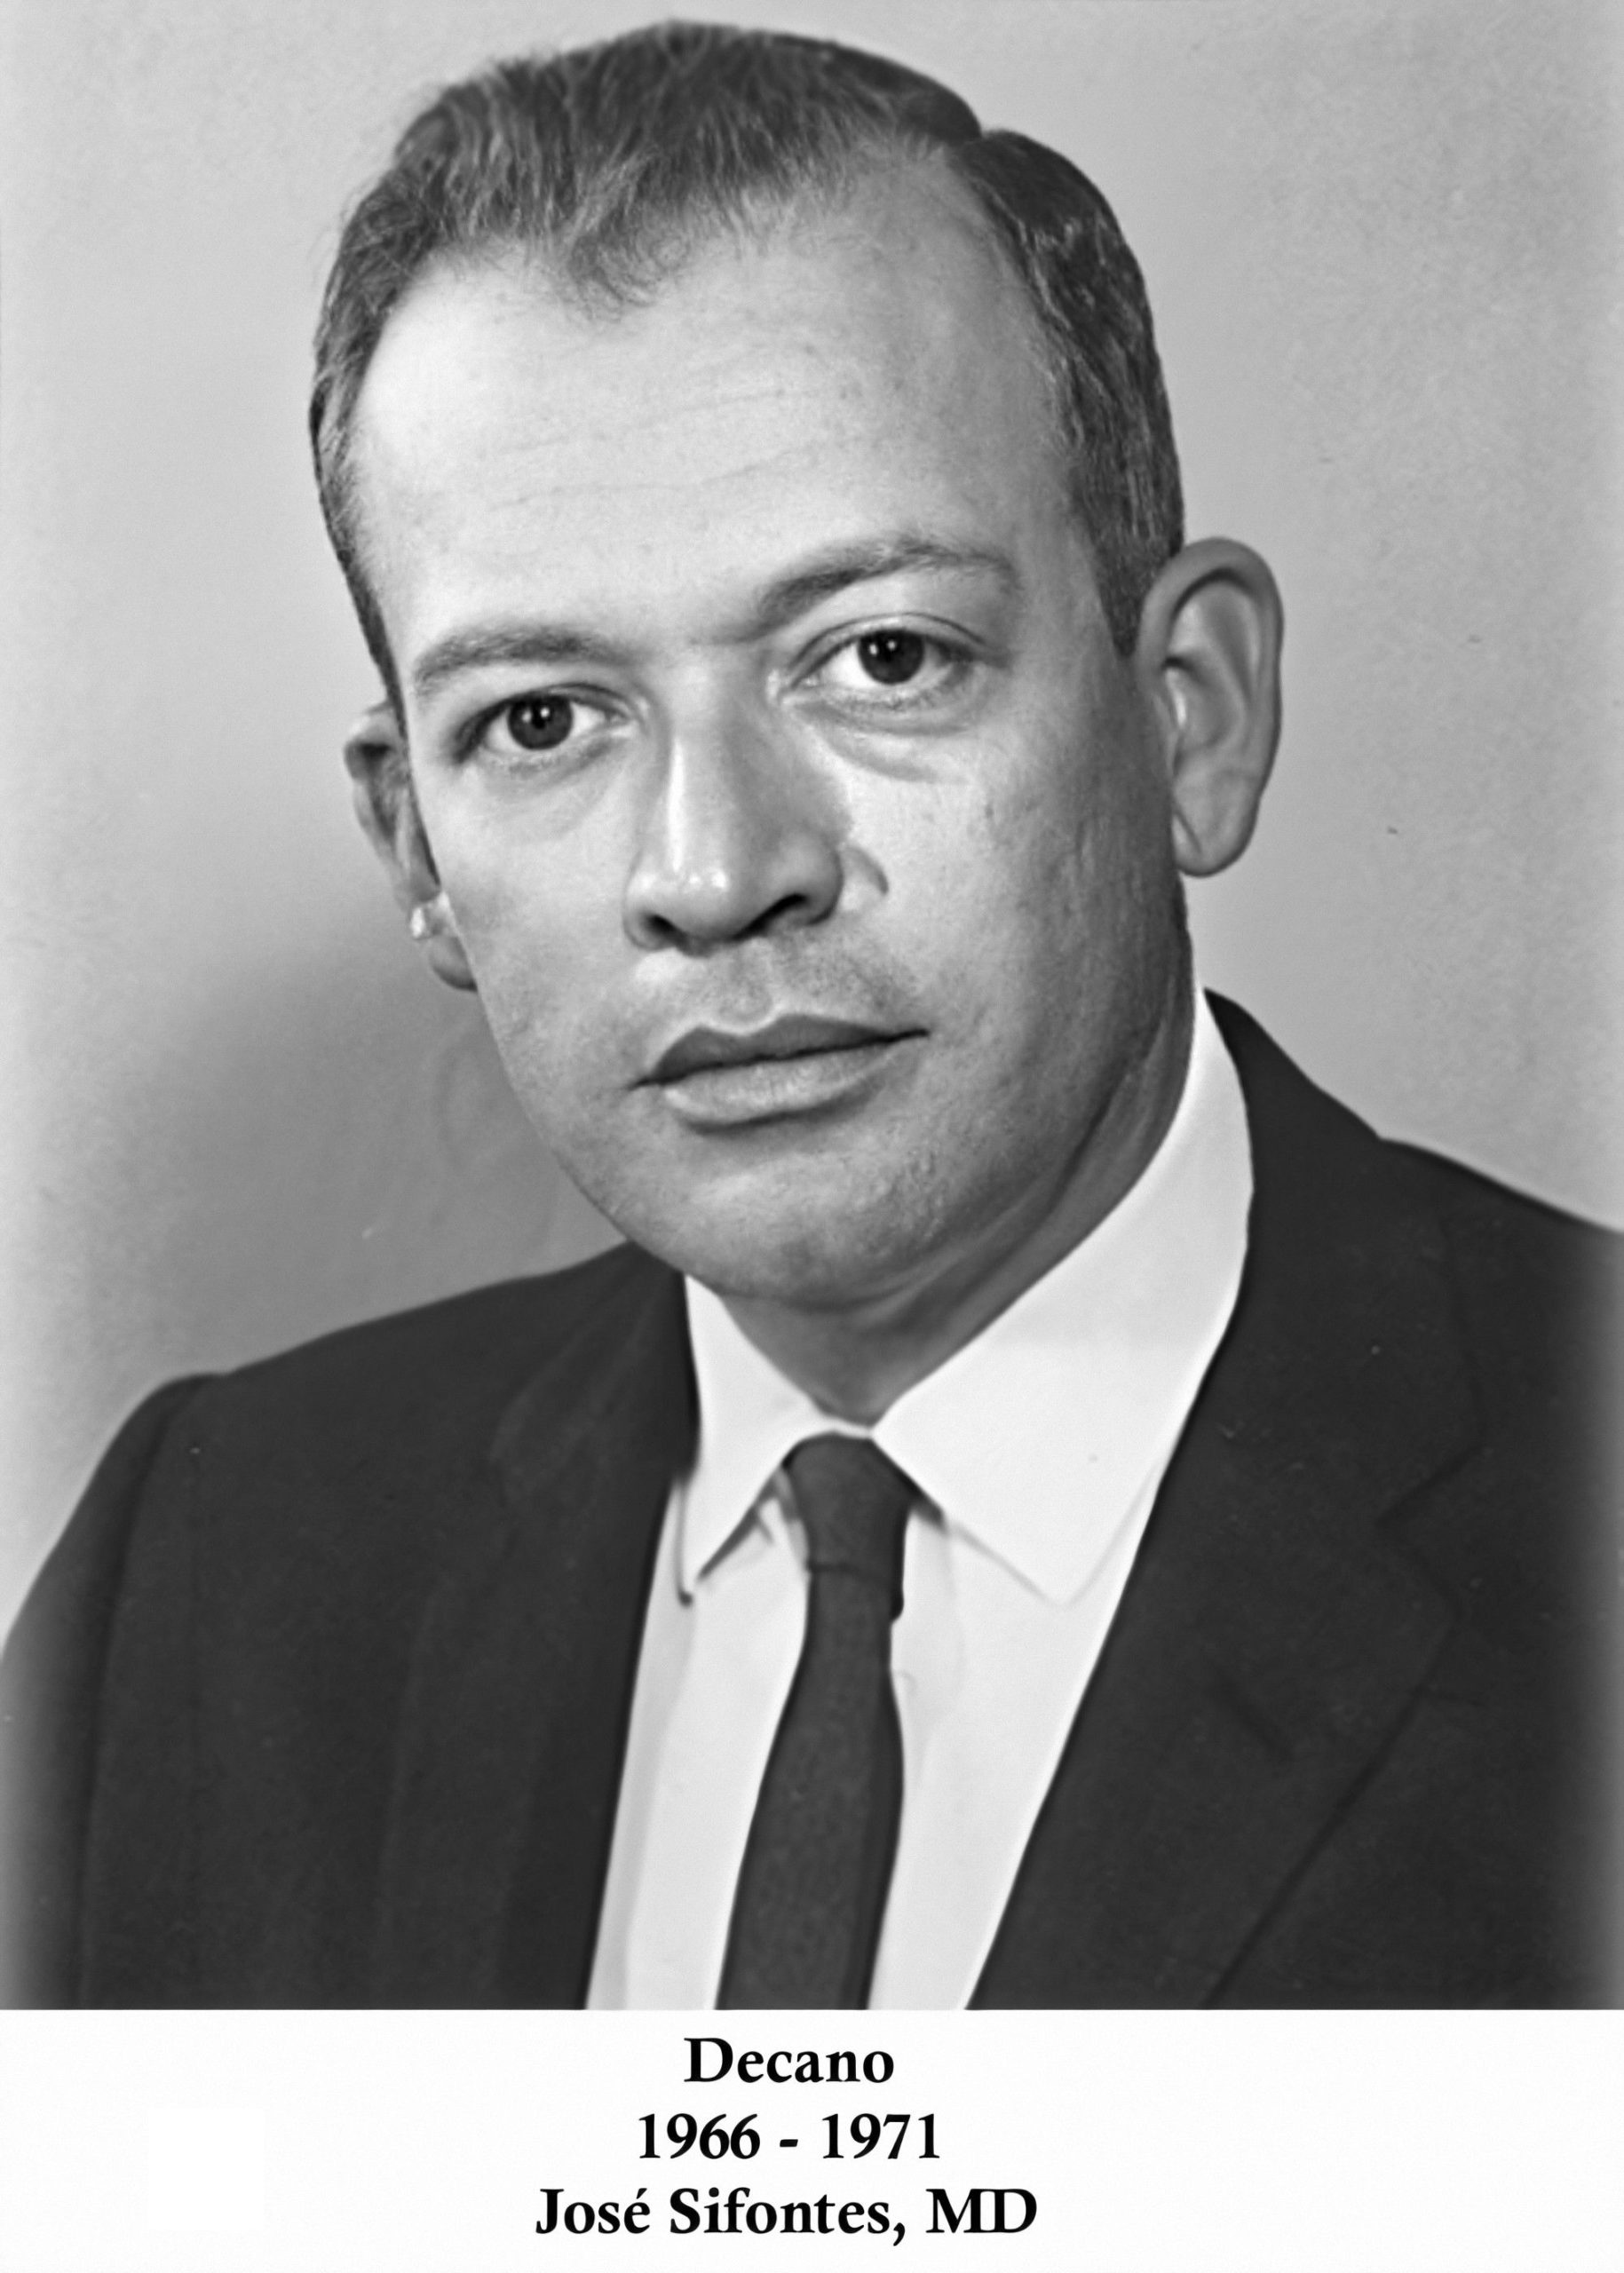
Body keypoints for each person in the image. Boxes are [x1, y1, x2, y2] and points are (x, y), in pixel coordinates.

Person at [2, 21, 1615, 2009]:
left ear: (1189, 716)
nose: (712, 869)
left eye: (882, 656)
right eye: (541, 718)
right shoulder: (201, 1579)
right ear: (416, 847)